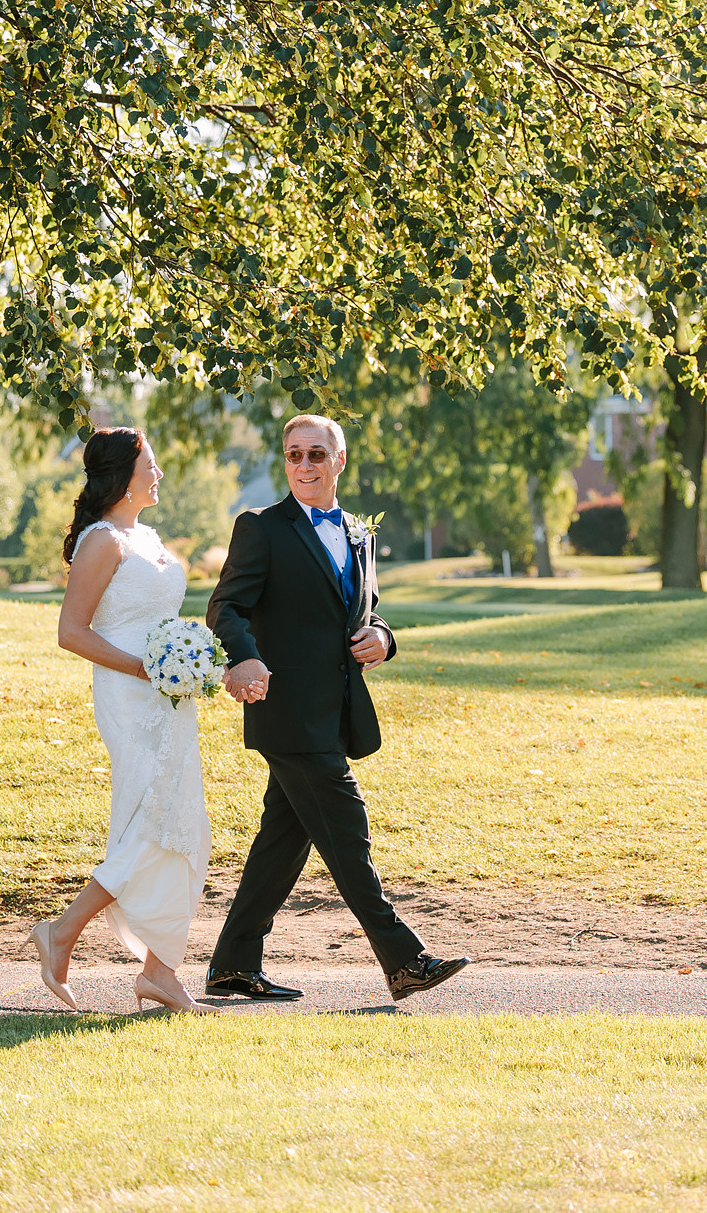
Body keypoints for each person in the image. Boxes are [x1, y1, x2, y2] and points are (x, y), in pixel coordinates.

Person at [201, 413, 468, 1003]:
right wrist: (242, 658)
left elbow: (364, 612)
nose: (303, 466)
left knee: (282, 840)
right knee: (347, 830)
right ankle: (404, 959)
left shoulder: (357, 532)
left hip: (335, 710)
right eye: (293, 455)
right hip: (285, 709)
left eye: (315, 455)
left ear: (339, 460)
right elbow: (226, 609)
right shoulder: (262, 528)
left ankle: (232, 965)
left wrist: (384, 637)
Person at [23, 428, 228, 1014]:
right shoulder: (103, 541)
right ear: (124, 474)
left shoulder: (148, 535)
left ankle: (160, 971)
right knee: (151, 822)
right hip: (131, 696)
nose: (158, 474)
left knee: (185, 823)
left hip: (170, 698)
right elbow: (71, 632)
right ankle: (61, 931)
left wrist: (191, 659)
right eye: (151, 465)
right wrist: (147, 668)